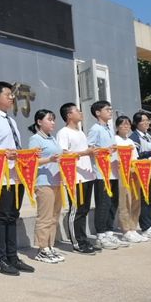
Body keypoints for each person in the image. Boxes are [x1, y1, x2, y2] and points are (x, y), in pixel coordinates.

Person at [0, 81, 35, 276]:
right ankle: (0, 259)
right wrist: (4, 155)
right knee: (1, 217)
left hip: (16, 175)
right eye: (8, 95)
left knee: (12, 216)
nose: (11, 98)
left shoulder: (11, 120)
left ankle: (13, 256)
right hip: (0, 177)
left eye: (12, 95)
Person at [56, 103, 98, 255]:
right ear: (69, 115)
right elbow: (63, 153)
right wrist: (85, 153)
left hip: (87, 176)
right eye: (77, 111)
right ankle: (77, 243)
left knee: (84, 210)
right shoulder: (63, 133)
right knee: (76, 211)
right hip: (74, 177)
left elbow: (83, 152)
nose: (81, 113)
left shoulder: (80, 132)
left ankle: (84, 240)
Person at [86, 101, 124, 250]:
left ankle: (109, 232)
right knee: (103, 204)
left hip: (113, 172)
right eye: (107, 109)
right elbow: (90, 149)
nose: (110, 111)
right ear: (98, 113)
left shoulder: (109, 128)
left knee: (112, 204)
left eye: (110, 109)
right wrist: (106, 150)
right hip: (101, 173)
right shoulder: (95, 129)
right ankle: (100, 235)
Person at [27, 110, 64, 264]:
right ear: (39, 122)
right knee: (45, 216)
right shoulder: (35, 139)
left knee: (54, 217)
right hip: (43, 182)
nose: (53, 122)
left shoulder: (52, 139)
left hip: (56, 181)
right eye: (49, 119)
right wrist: (49, 159)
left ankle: (50, 246)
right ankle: (42, 249)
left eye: (53, 119)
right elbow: (31, 161)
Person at [111, 116, 144, 244]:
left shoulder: (130, 141)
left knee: (135, 200)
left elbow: (135, 158)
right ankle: (125, 230)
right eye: (123, 124)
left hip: (133, 172)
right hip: (121, 173)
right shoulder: (115, 140)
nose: (126, 126)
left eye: (128, 124)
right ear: (117, 126)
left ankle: (133, 227)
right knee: (124, 201)